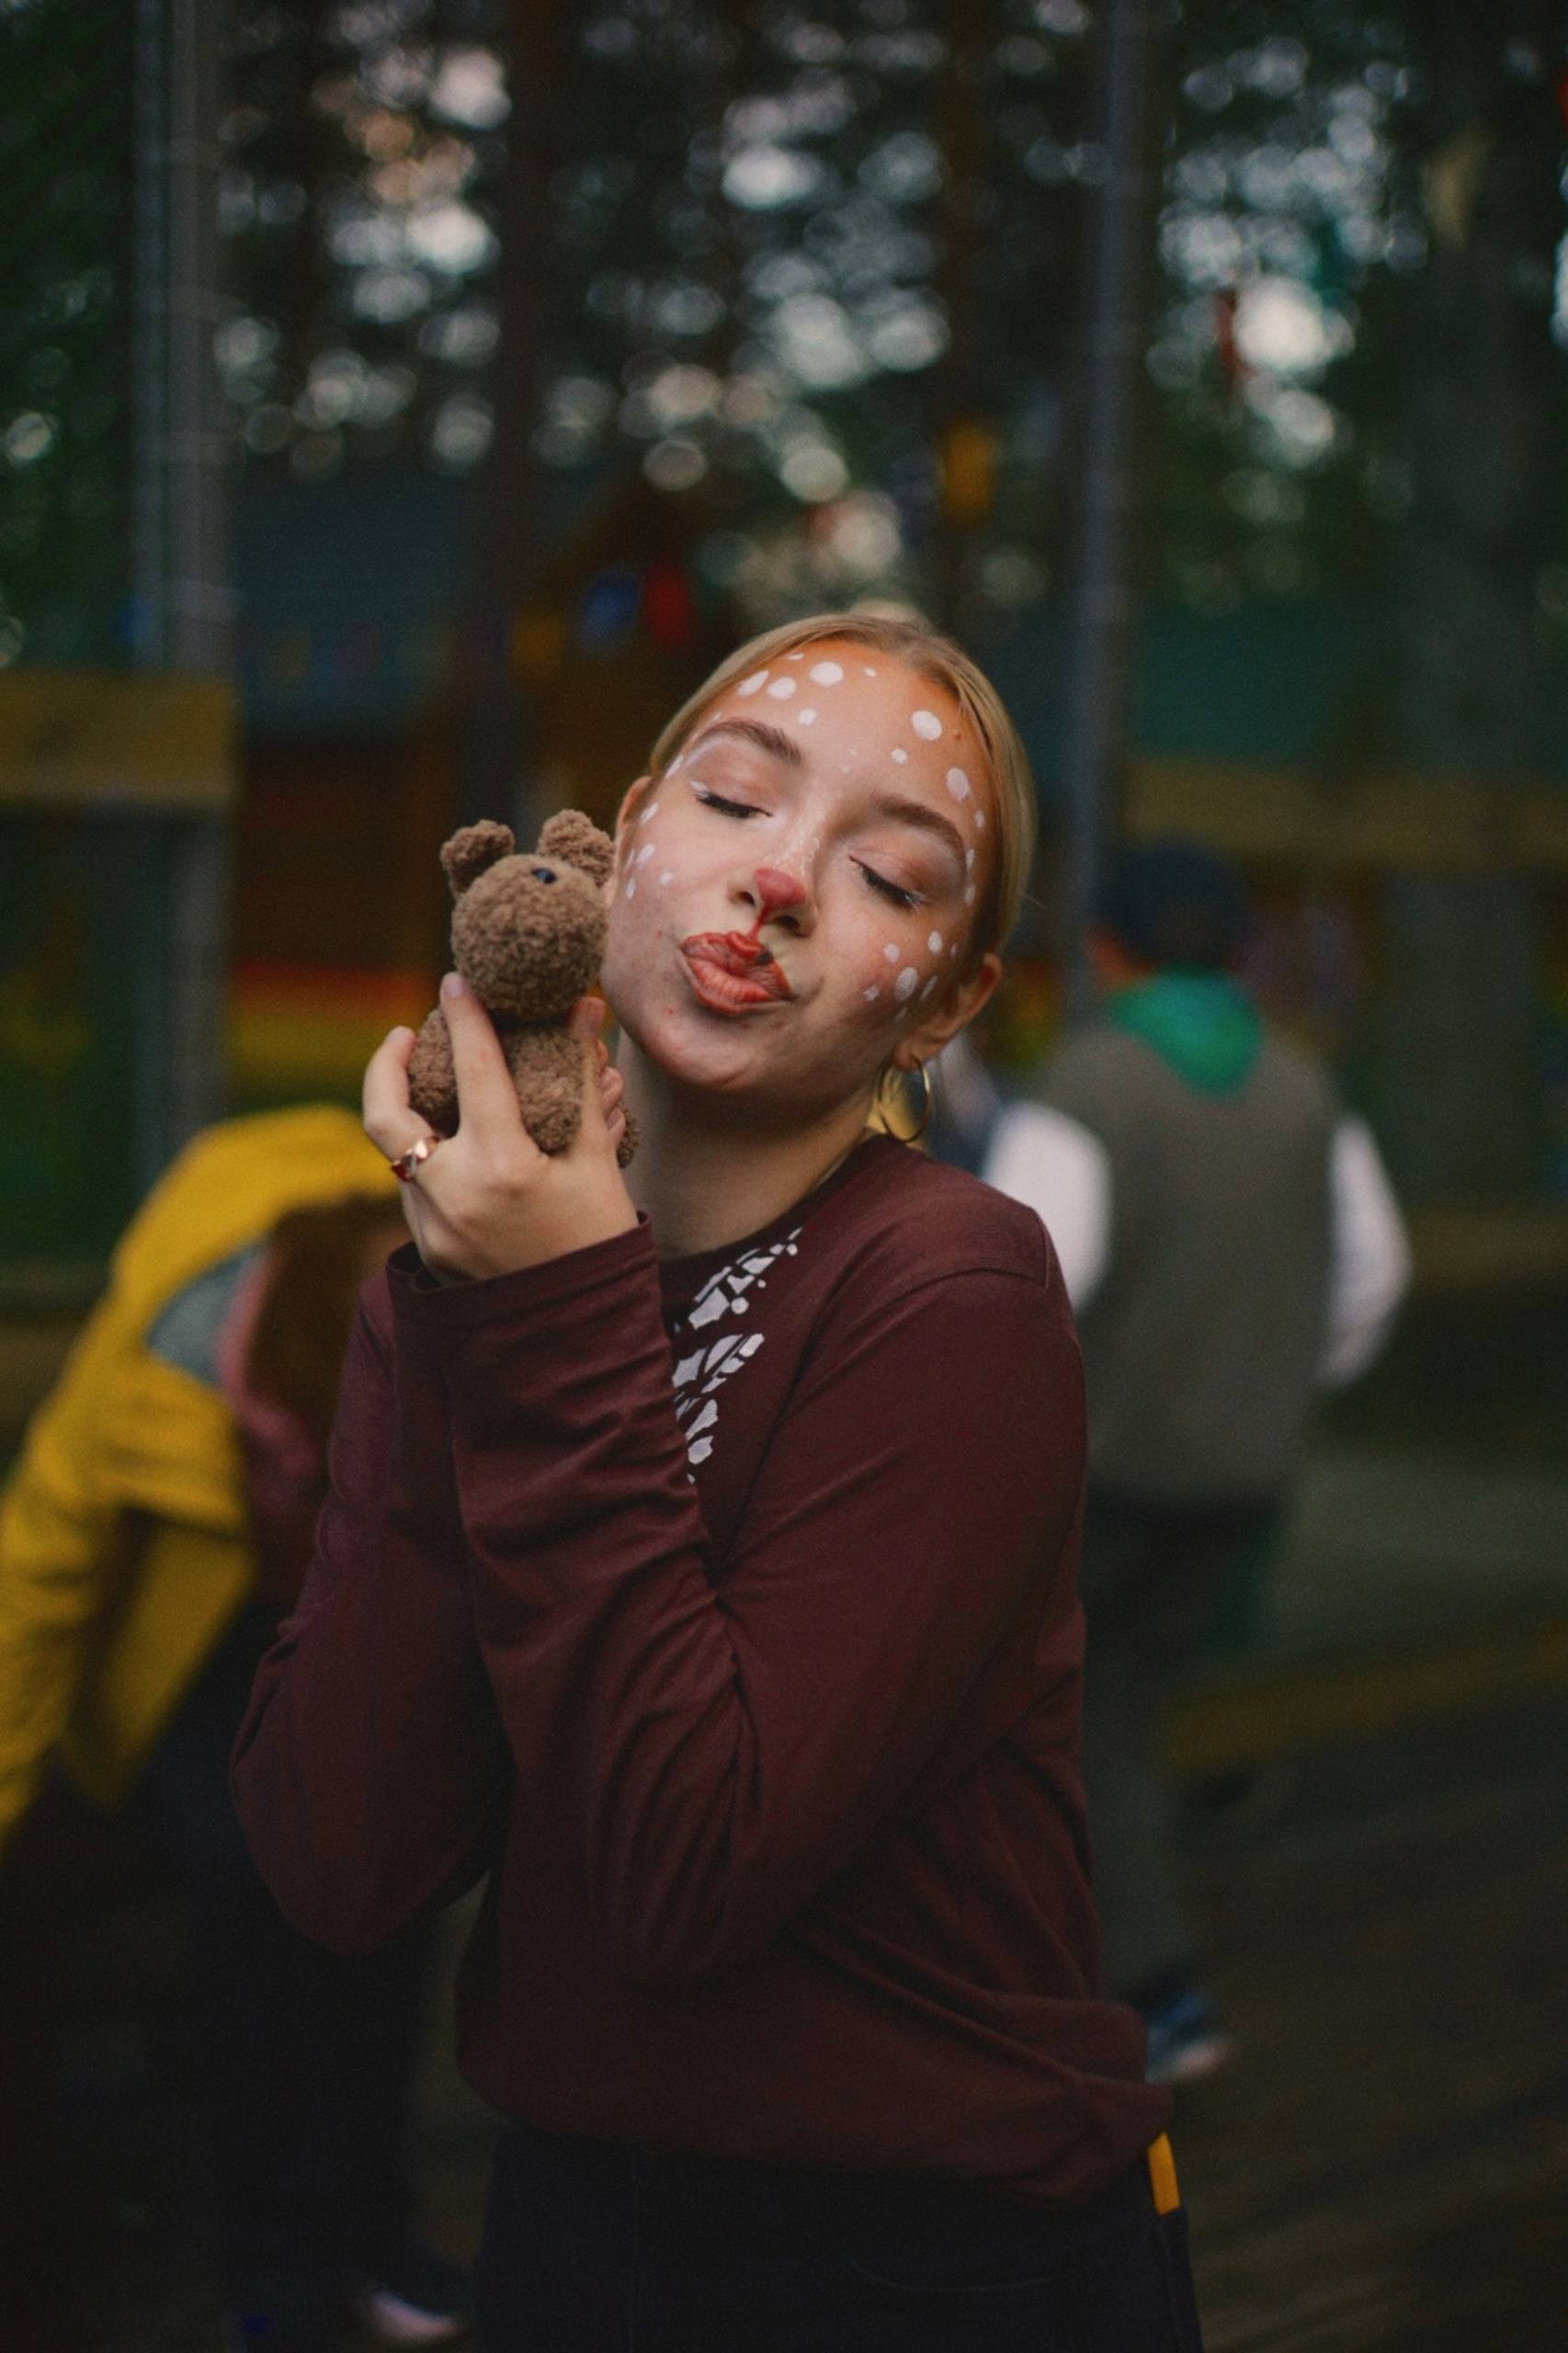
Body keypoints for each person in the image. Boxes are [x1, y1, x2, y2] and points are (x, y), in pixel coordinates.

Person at [233, 614, 1205, 2353]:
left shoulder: (951, 1291)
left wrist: (543, 1314)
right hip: (578, 2223)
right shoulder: (474, 1274)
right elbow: (339, 1860)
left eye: (889, 876)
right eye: (737, 798)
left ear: (949, 1001)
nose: (778, 882)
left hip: (930, 2257)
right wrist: (464, 1316)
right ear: (622, 839)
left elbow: (684, 1874)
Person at [0, 1108, 472, 2349]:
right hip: (208, 1645)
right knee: (254, 1921)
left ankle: (375, 2230)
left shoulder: (445, 1256)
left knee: (391, 1902)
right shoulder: (153, 1378)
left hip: (377, 1631)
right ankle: (272, 2270)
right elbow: (34, 1579)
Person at [980, 838, 1410, 2085]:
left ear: (1104, 951)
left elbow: (1026, 1288)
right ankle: (1128, 1984)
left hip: (1099, 1479)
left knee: (1041, 1714)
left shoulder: (1088, 1086)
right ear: (1238, 953)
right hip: (1237, 1479)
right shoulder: (1304, 1087)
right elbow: (1373, 1272)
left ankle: (1125, 1990)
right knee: (1118, 1711)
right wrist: (1274, 1383)